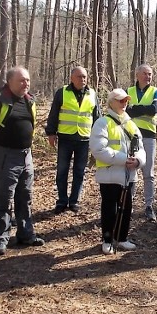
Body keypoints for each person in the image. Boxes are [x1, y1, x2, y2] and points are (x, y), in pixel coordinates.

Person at [0, 66, 45, 255]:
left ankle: (26, 234)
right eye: (21, 80)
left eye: (28, 80)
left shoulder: (29, 100)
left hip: (26, 155)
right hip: (6, 155)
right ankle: (0, 238)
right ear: (10, 82)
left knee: (25, 196)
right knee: (4, 198)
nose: (26, 84)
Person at [90, 89, 146, 255]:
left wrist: (138, 161)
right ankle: (107, 240)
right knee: (109, 208)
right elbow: (98, 149)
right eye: (121, 101)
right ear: (111, 102)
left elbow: (140, 148)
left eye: (126, 101)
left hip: (129, 175)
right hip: (109, 175)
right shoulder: (102, 123)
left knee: (126, 208)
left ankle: (122, 238)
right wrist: (123, 159)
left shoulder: (131, 124)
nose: (124, 103)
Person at [45, 66, 101, 214]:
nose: (82, 79)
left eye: (84, 77)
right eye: (79, 77)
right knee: (62, 171)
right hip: (65, 138)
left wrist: (98, 137)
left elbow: (97, 118)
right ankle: (62, 201)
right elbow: (54, 114)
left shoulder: (92, 94)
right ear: (71, 78)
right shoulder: (62, 92)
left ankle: (74, 201)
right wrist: (51, 133)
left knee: (79, 172)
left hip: (84, 139)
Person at [126, 64, 157, 222]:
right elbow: (125, 111)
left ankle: (149, 206)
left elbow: (154, 109)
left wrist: (135, 108)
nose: (148, 77)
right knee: (131, 170)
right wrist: (140, 109)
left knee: (148, 173)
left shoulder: (156, 91)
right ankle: (129, 204)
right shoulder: (128, 91)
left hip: (149, 135)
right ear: (137, 75)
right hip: (131, 135)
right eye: (145, 74)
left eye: (150, 74)